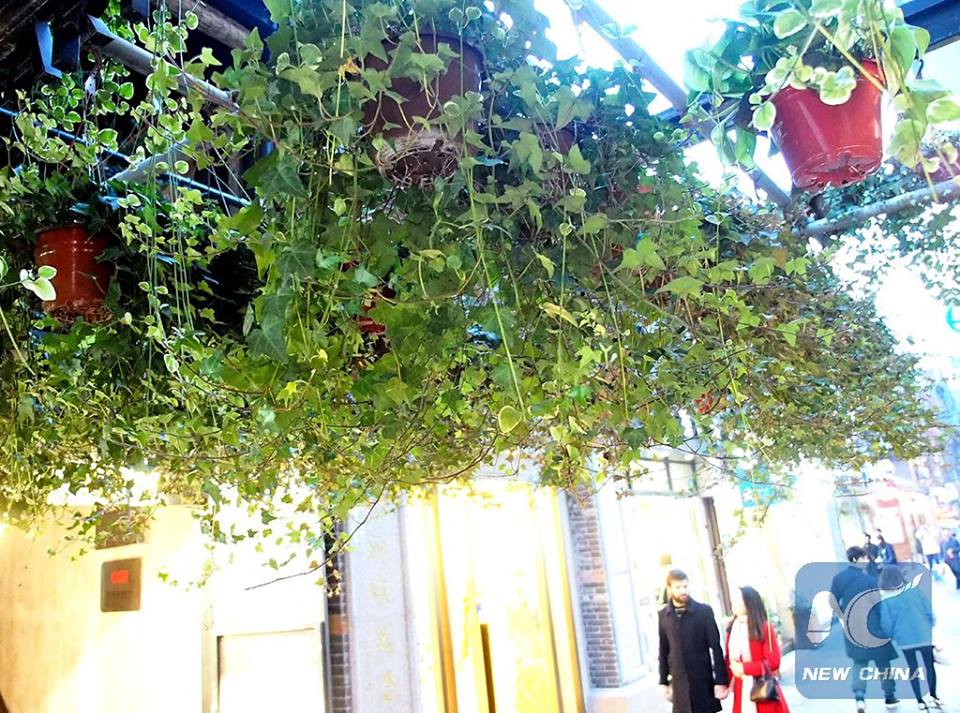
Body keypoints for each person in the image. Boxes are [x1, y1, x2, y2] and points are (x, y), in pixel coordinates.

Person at [830, 546, 899, 711]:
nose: (867, 561)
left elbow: (832, 600)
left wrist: (842, 616)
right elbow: (878, 605)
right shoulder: (869, 580)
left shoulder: (839, 578)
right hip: (874, 627)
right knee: (883, 663)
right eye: (865, 558)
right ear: (857, 559)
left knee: (859, 662)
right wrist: (887, 626)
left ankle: (860, 697)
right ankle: (889, 696)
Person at [659, 569, 729, 713]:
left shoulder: (704, 612)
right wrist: (663, 681)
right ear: (670, 588)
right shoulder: (664, 615)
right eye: (678, 587)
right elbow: (663, 649)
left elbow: (716, 647)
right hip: (679, 685)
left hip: (703, 681)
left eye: (685, 586)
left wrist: (720, 680)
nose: (683, 591)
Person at [879, 565, 942, 710]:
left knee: (913, 668)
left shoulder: (885, 598)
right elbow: (928, 609)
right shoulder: (914, 590)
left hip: (904, 639)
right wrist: (930, 623)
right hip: (923, 634)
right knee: (929, 666)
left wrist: (892, 635)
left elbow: (886, 622)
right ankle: (933, 695)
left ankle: (920, 700)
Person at [725, 586, 791, 713]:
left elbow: (773, 661)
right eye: (733, 598)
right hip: (740, 692)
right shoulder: (732, 629)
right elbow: (728, 660)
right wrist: (724, 684)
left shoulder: (764, 627)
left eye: (738, 599)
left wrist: (745, 668)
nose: (733, 602)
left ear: (749, 602)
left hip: (763, 689)